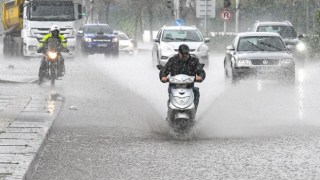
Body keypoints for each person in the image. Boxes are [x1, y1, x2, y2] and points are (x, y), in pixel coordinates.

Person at [159, 44, 206, 110]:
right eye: (183, 54)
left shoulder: (194, 61)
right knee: (171, 93)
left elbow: (200, 71)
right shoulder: (173, 60)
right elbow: (165, 70)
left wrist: (200, 76)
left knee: (196, 92)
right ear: (179, 53)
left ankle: (193, 111)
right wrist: (163, 77)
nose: (185, 56)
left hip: (189, 86)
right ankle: (170, 110)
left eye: (186, 54)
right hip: (174, 86)